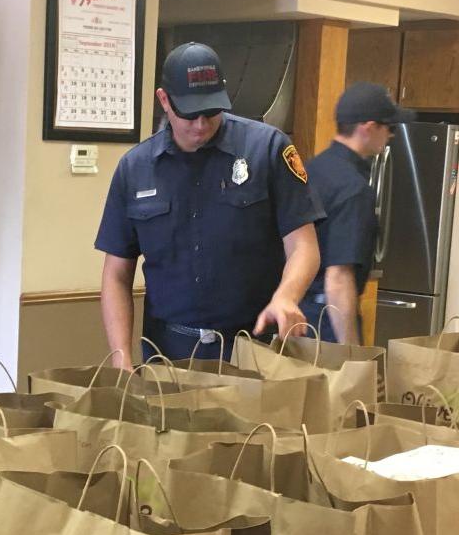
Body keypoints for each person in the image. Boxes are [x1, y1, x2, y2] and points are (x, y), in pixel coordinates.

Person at [95, 41, 323, 364]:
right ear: (164, 100)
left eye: (211, 111)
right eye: (189, 114)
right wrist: (121, 358)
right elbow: (116, 274)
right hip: (169, 353)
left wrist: (287, 295)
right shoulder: (135, 169)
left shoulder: (268, 149)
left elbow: (304, 245)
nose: (201, 124)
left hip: (253, 348)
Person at [300, 82, 412, 343]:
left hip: (295, 316)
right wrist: (351, 353)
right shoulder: (353, 189)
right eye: (390, 127)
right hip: (327, 322)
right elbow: (338, 278)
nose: (391, 136)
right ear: (368, 128)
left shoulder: (310, 170)